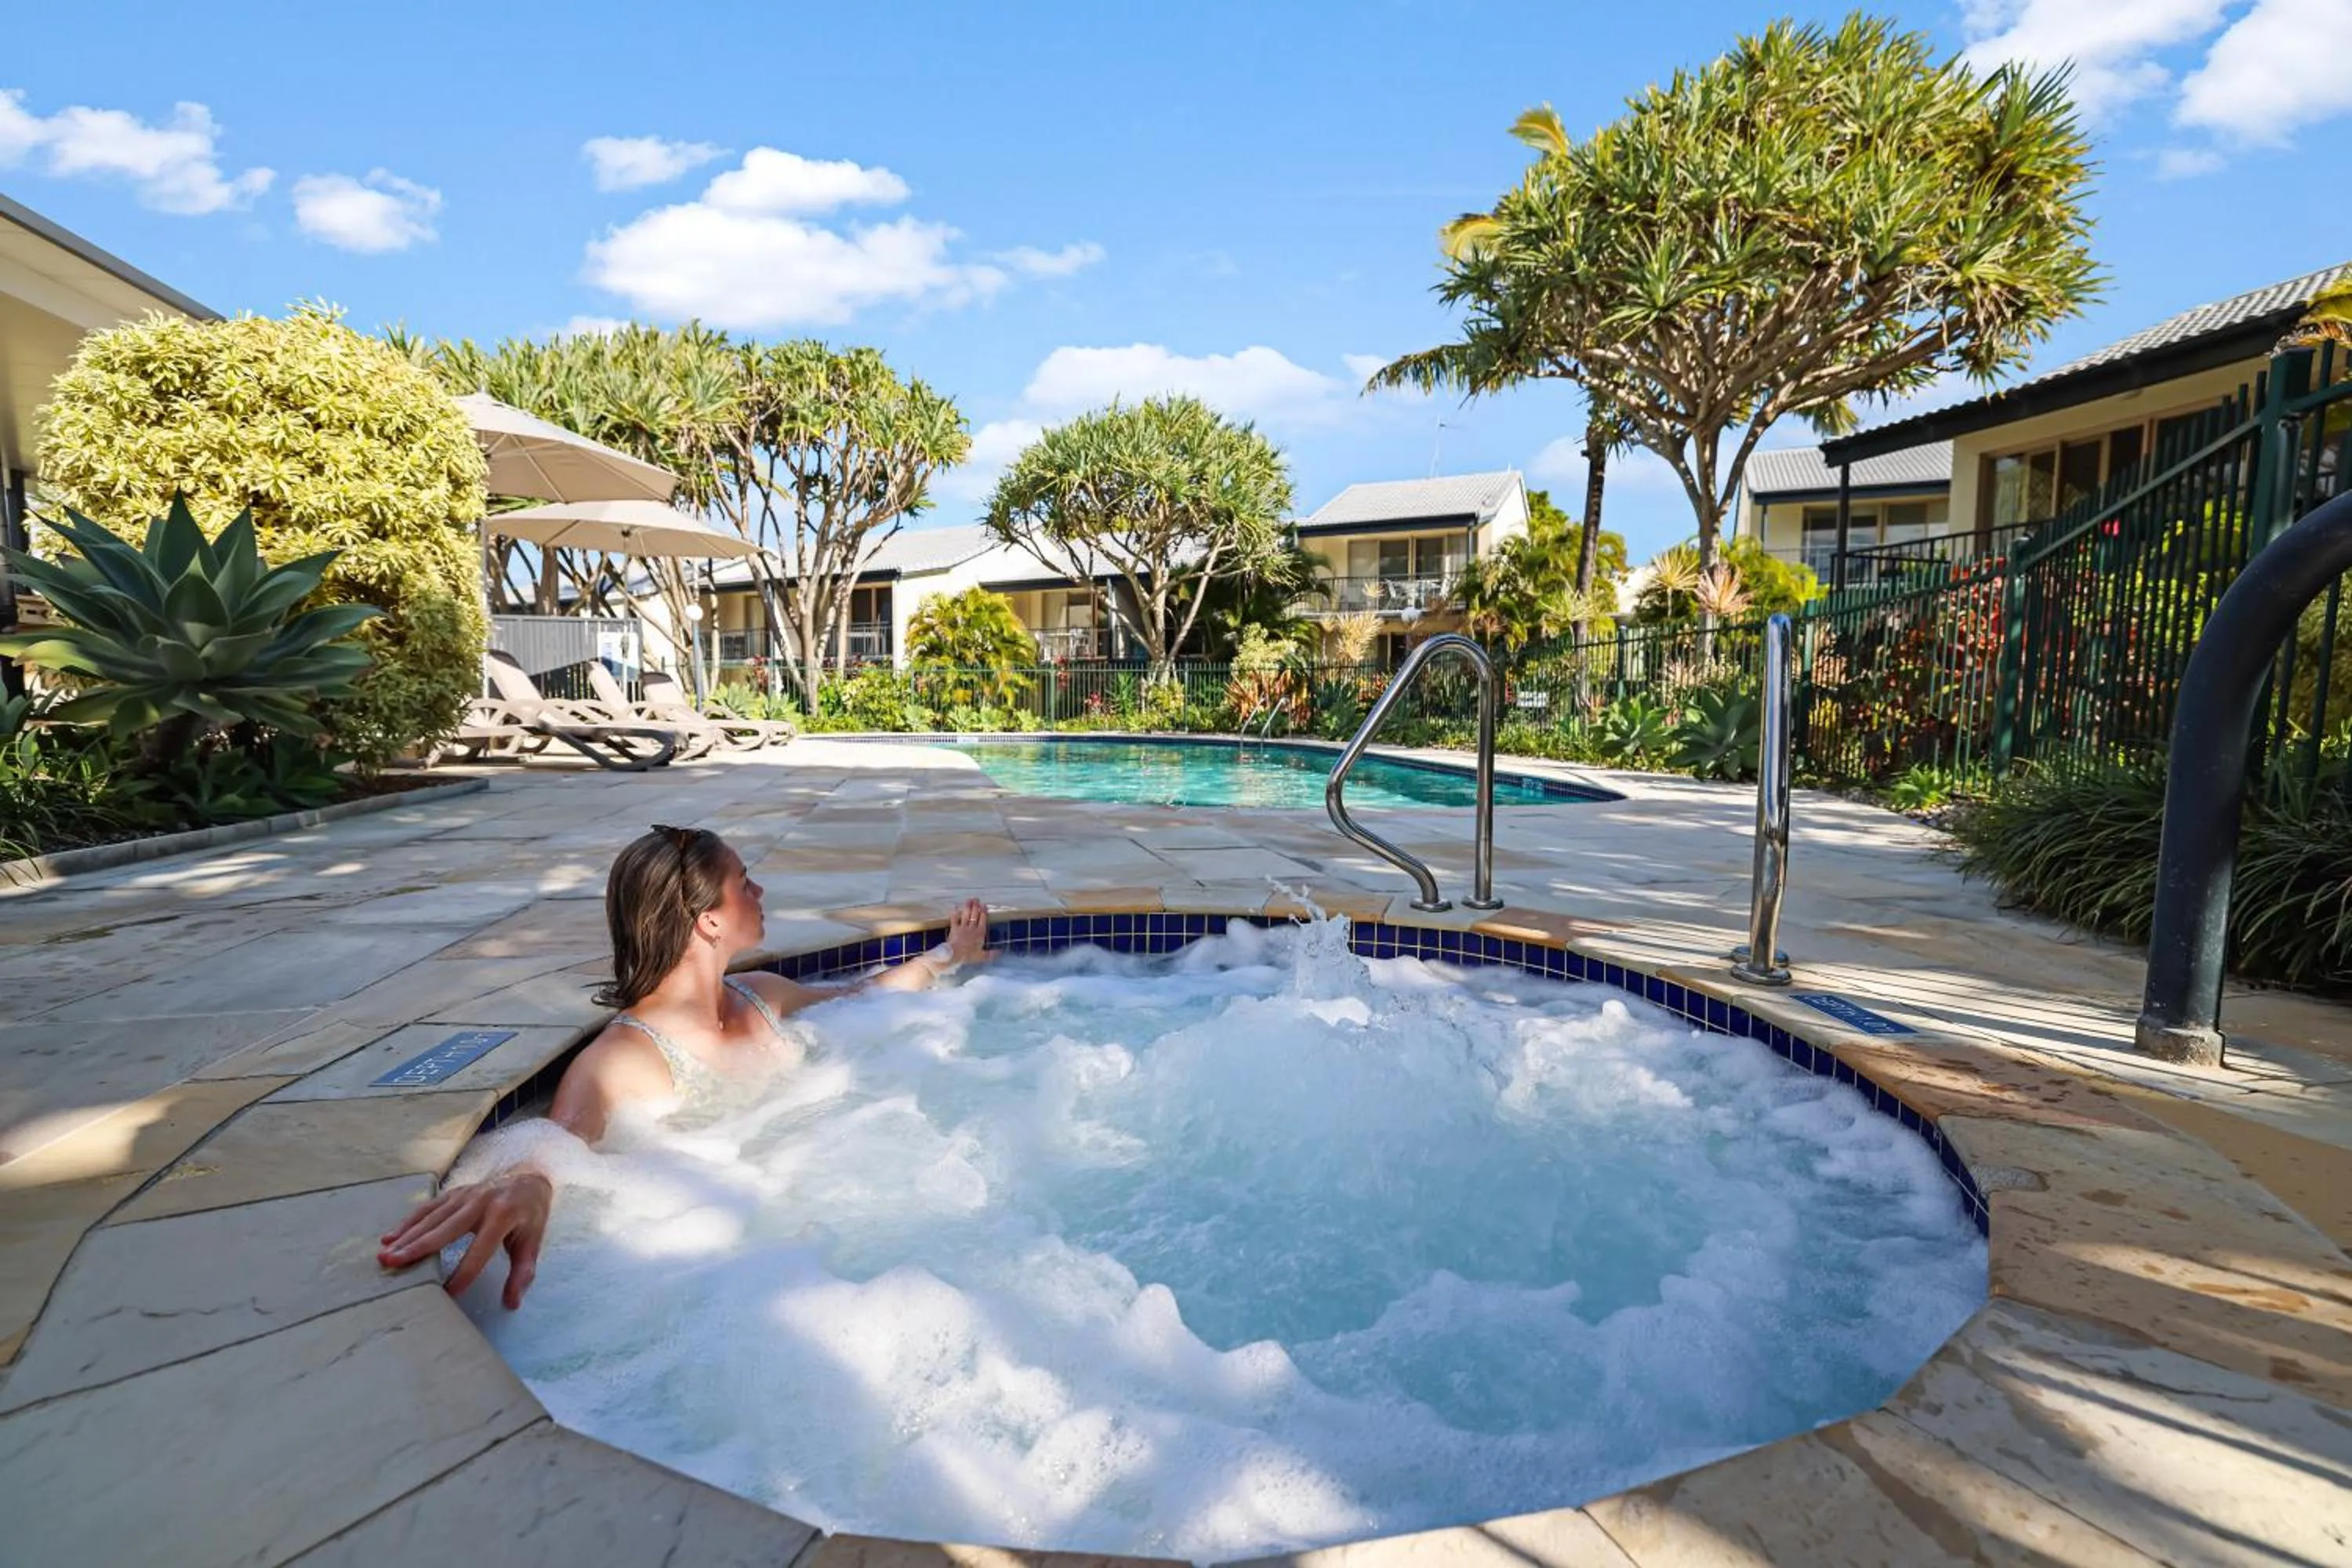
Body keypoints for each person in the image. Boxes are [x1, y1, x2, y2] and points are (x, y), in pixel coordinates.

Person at [377, 822, 990, 1309]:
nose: (760, 892)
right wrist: (525, 1184)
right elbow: (560, 1141)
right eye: (745, 882)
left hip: (827, 1212)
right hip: (746, 1263)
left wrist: (947, 956)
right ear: (709, 920)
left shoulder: (761, 994)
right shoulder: (625, 1057)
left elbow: (866, 997)